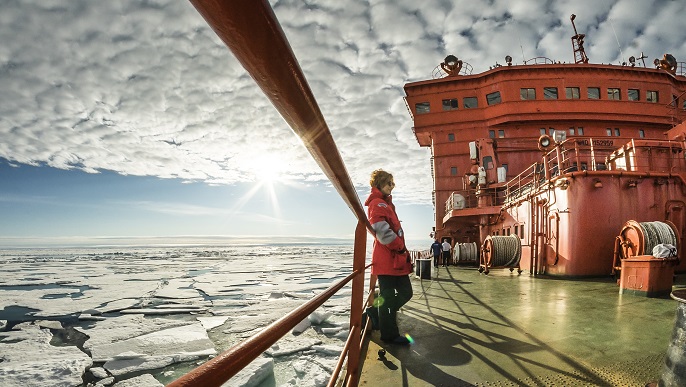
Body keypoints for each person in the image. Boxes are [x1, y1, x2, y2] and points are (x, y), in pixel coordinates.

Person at [365, 169, 413, 345]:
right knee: (388, 296)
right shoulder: (377, 203)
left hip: (395, 259)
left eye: (393, 183)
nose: (392, 186)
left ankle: (379, 314)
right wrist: (400, 248)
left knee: (406, 292)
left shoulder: (385, 204)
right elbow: (381, 231)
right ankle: (389, 335)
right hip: (388, 259)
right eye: (389, 183)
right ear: (380, 183)